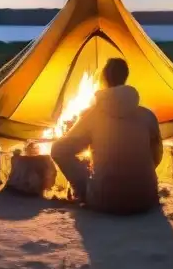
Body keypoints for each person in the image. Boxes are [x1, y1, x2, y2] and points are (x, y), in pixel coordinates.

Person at [51, 58, 164, 215]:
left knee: (56, 148)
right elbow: (157, 155)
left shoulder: (92, 115)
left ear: (103, 79)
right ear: (126, 77)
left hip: (104, 200)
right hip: (146, 198)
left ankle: (83, 192)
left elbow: (61, 150)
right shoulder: (147, 115)